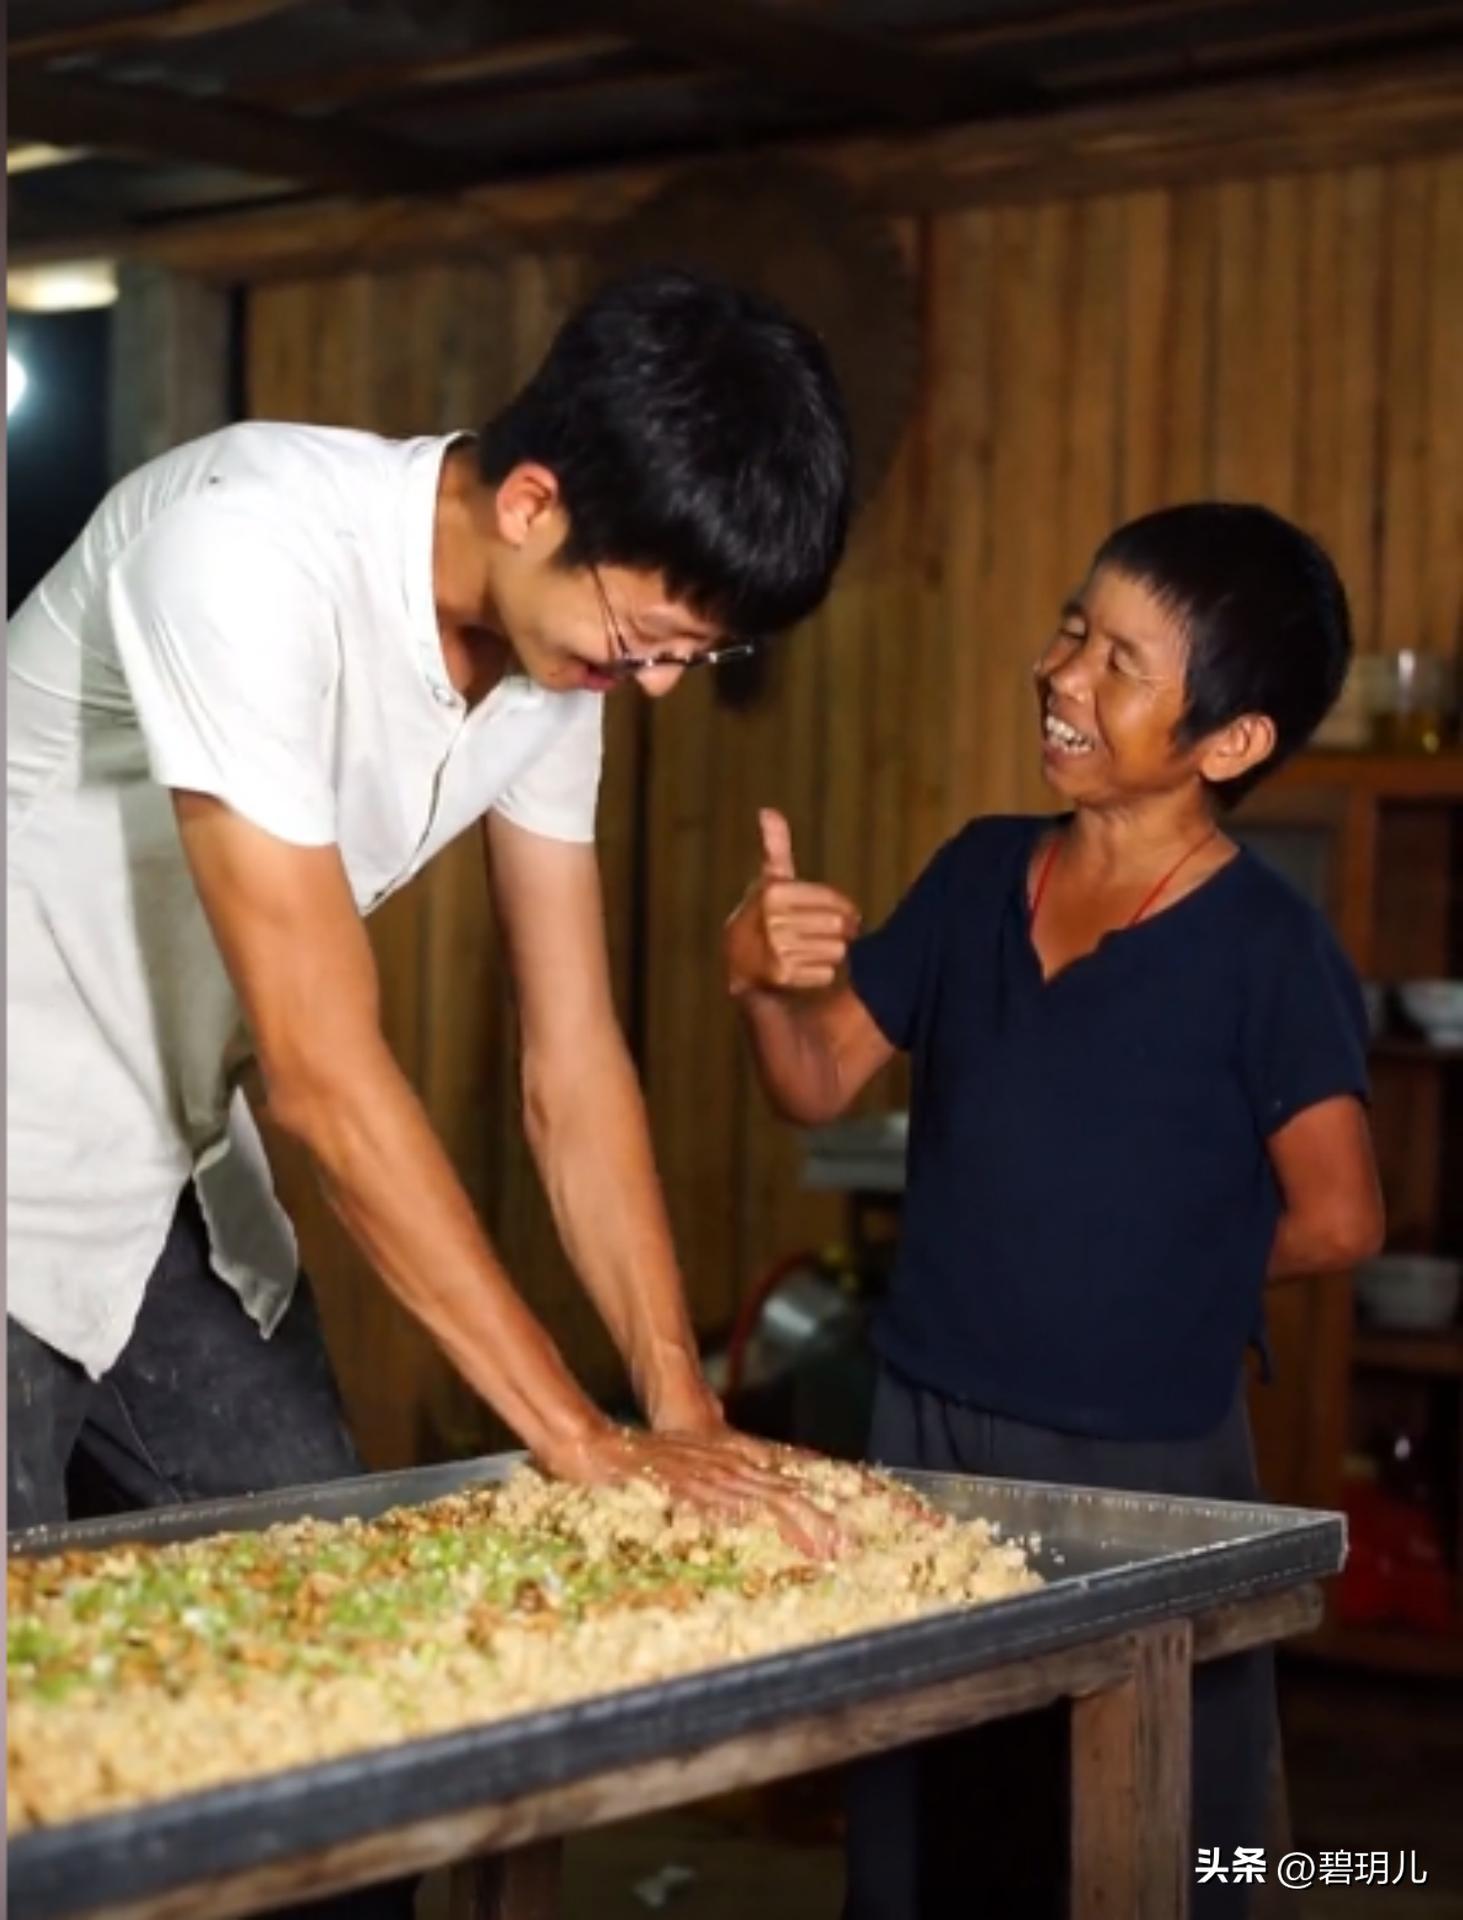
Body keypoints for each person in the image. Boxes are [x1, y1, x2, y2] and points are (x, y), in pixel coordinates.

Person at [6, 268, 853, 1570]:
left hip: (168, 1171)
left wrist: (680, 1408)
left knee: (324, 1597)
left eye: (701, 653)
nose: (666, 686)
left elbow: (572, 1065)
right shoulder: (247, 551)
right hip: (20, 1145)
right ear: (531, 504)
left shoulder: (556, 671)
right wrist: (584, 1442)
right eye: (655, 636)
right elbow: (323, 1075)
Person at [724, 502, 1385, 1920]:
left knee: (1151, 1831)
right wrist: (763, 982)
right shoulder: (977, 875)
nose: (1062, 672)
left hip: (1143, 1456)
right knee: (931, 1818)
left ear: (1230, 742)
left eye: (1120, 662)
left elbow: (1339, 1220)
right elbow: (819, 1081)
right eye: (1072, 630)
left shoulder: (1268, 951)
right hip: (928, 1430)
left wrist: (1153, 1278)